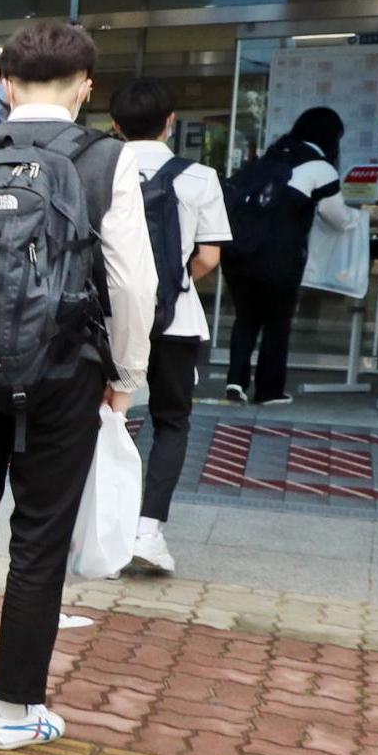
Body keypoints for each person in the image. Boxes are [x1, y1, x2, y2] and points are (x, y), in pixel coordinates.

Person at [0, 21, 154, 748]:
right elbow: (132, 283)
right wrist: (126, 377)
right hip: (60, 373)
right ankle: (14, 711)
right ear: (85, 86)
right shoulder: (107, 159)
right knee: (37, 542)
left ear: (6, 83)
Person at [110, 78, 232, 576]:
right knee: (171, 421)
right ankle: (147, 530)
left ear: (115, 126)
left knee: (105, 421)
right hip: (176, 320)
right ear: (171, 122)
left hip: (111, 318)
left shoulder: (97, 170)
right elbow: (209, 255)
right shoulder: (200, 177)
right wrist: (174, 283)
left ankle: (104, 535)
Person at [220, 106, 360, 406]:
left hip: (238, 254)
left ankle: (235, 382)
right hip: (278, 259)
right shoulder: (321, 168)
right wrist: (358, 221)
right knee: (276, 322)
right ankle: (270, 391)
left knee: (246, 318)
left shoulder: (270, 157)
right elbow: (337, 216)